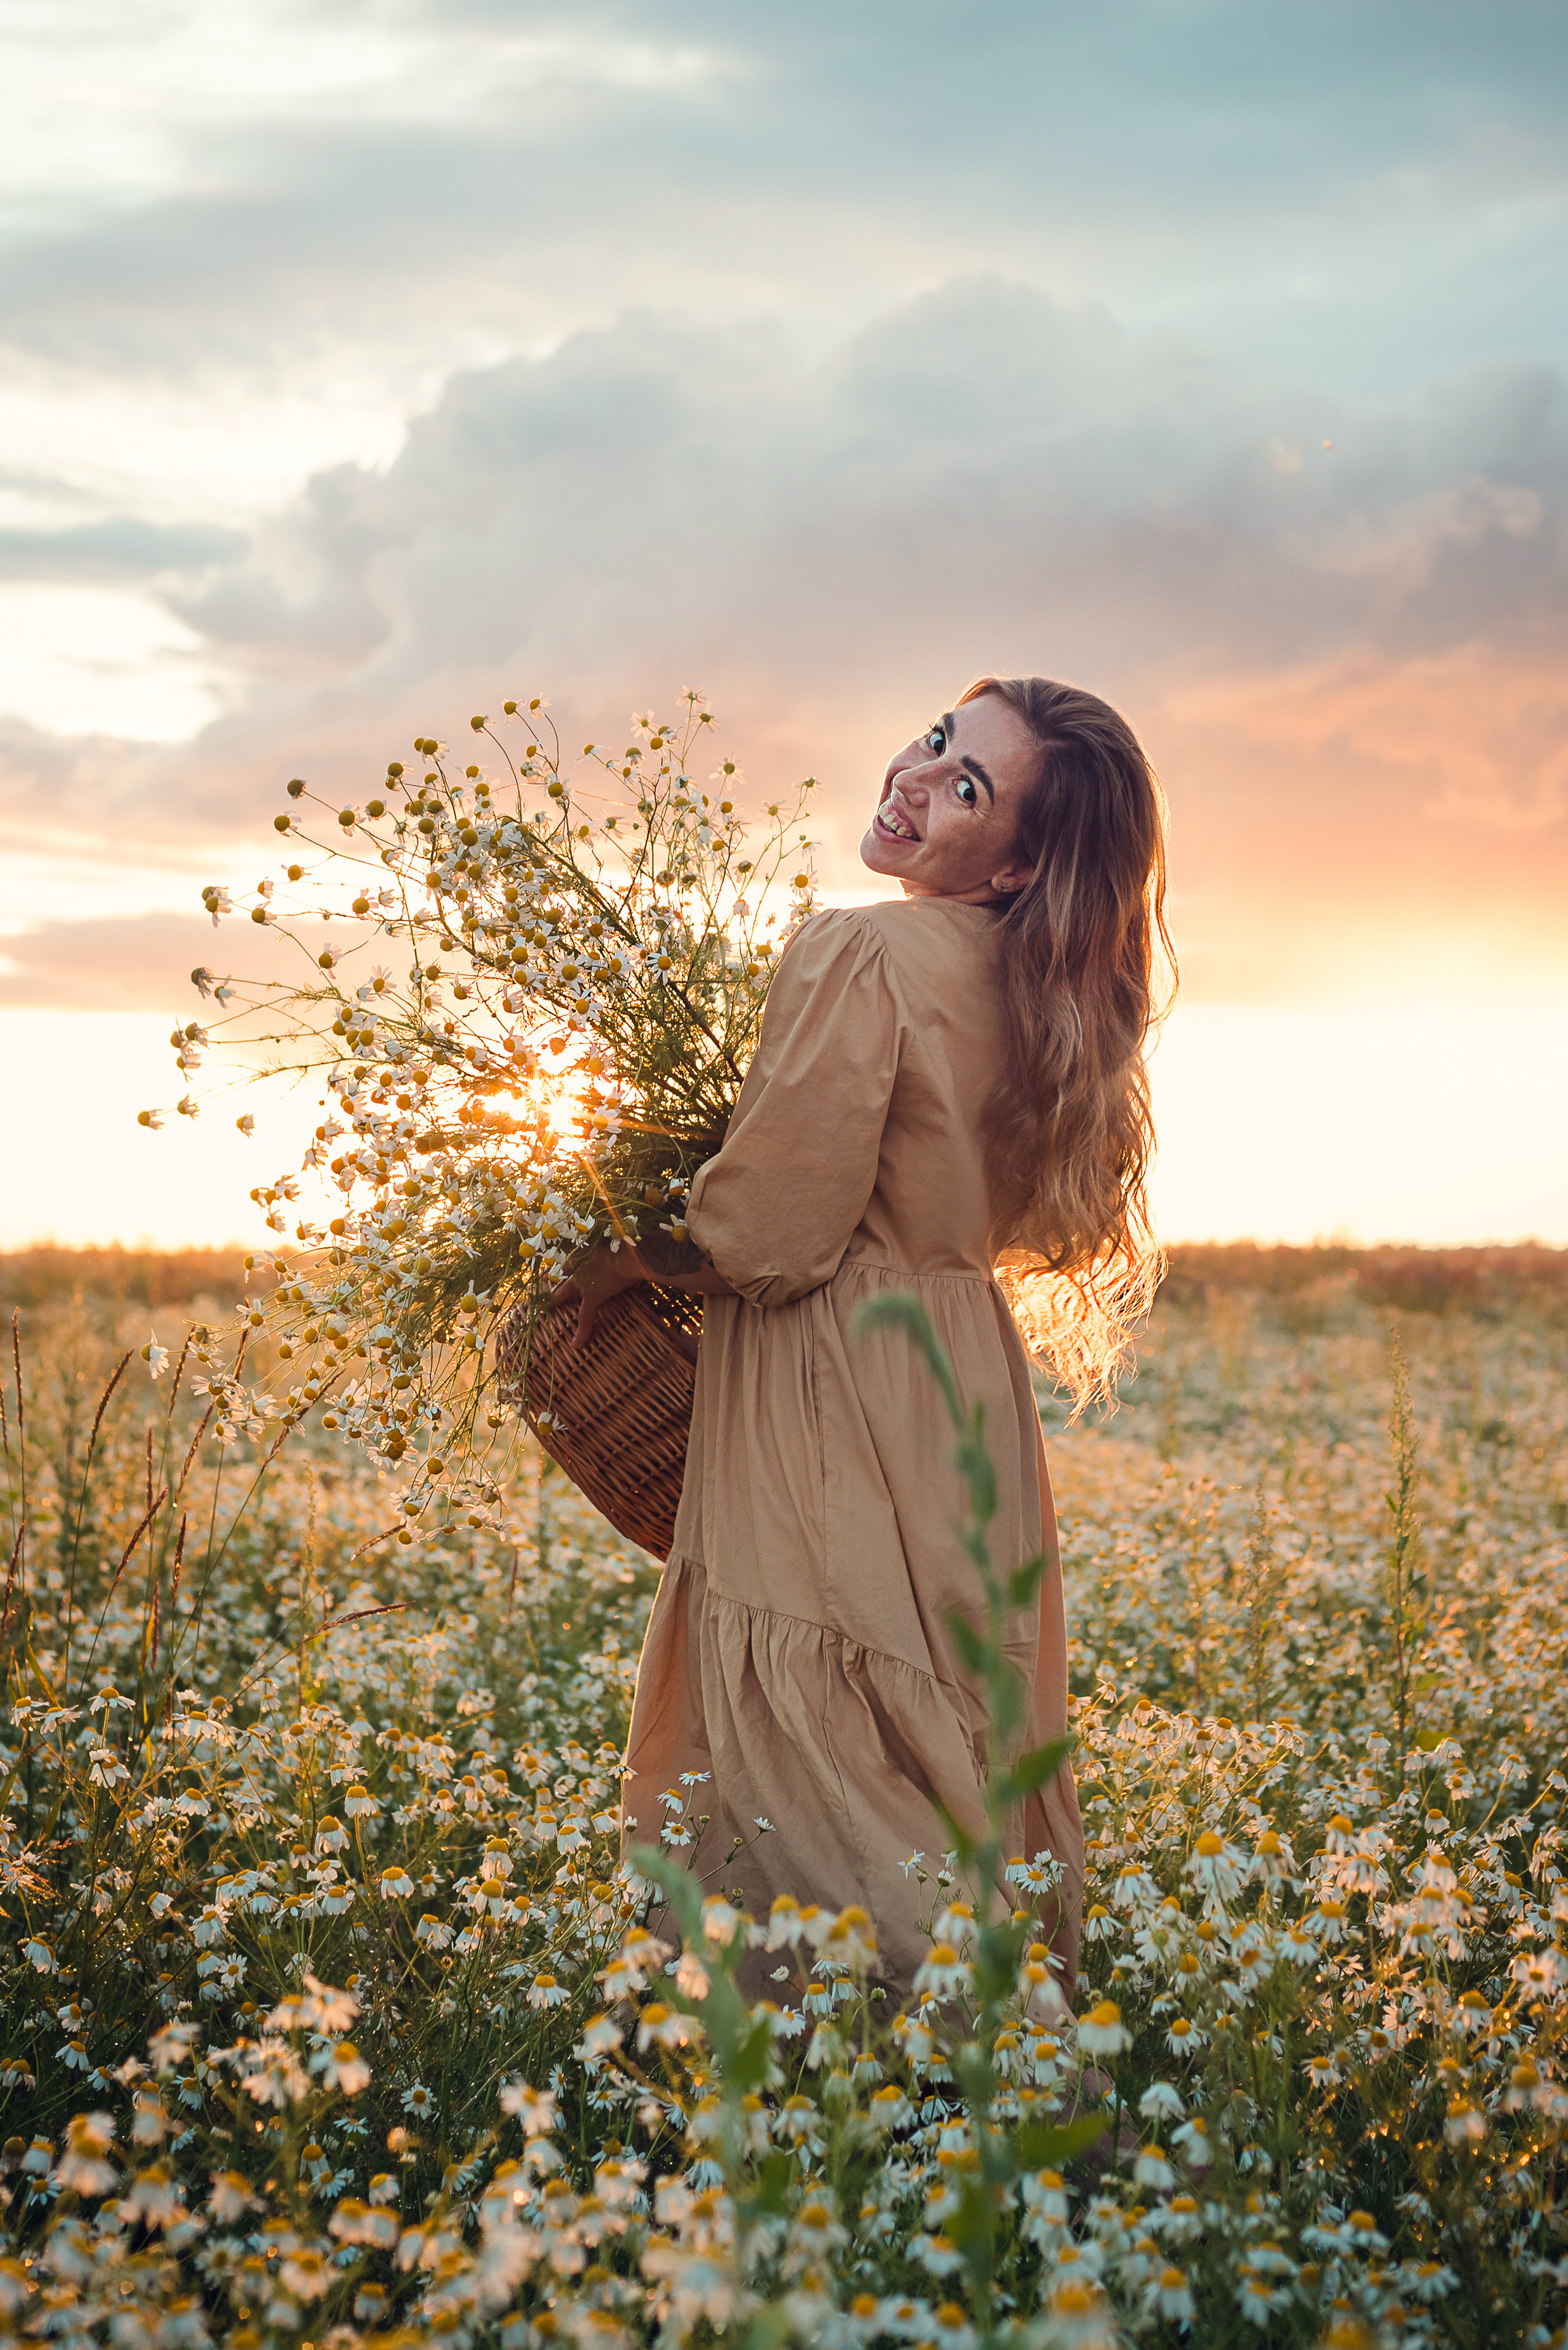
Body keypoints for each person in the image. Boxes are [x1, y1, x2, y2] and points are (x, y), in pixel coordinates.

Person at [558, 674, 1171, 2009]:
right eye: (938, 741)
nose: (916, 775)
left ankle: (946, 2067)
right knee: (946, 1716)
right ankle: (1002, 2084)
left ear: (1013, 863)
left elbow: (770, 1232)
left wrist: (611, 1250)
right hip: (959, 1380)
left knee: (820, 1732)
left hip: (826, 1366)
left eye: (967, 789)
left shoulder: (862, 951)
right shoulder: (1053, 997)